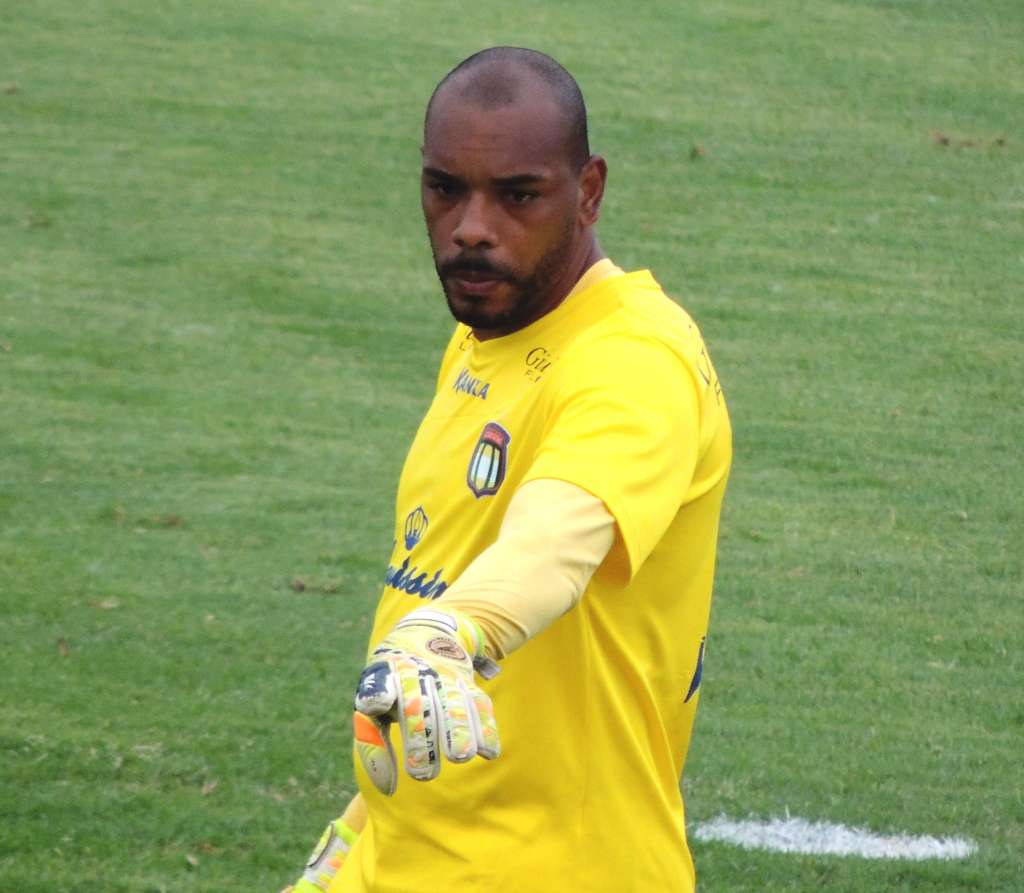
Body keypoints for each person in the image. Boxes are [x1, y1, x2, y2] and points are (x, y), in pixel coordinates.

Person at [284, 46, 732, 893]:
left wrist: (450, 633)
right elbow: (435, 576)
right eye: (445, 188)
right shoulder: (485, 336)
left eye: (518, 195)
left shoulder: (636, 360)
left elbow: (553, 540)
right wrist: (355, 839)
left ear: (589, 190)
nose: (471, 228)